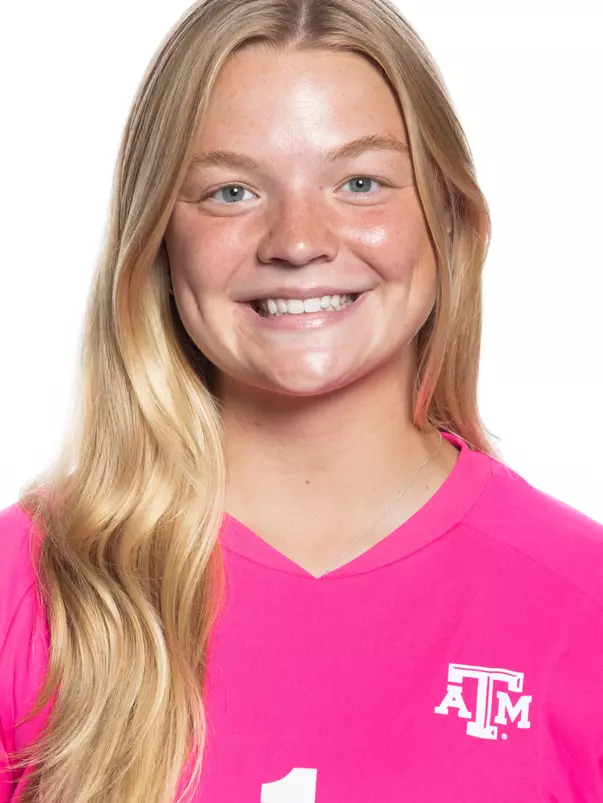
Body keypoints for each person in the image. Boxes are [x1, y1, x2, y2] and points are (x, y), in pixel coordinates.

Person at [1, 0, 602, 801]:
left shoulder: (579, 597)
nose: (297, 240)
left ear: (447, 219)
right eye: (230, 192)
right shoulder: (30, 583)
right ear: (156, 239)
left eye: (360, 182)